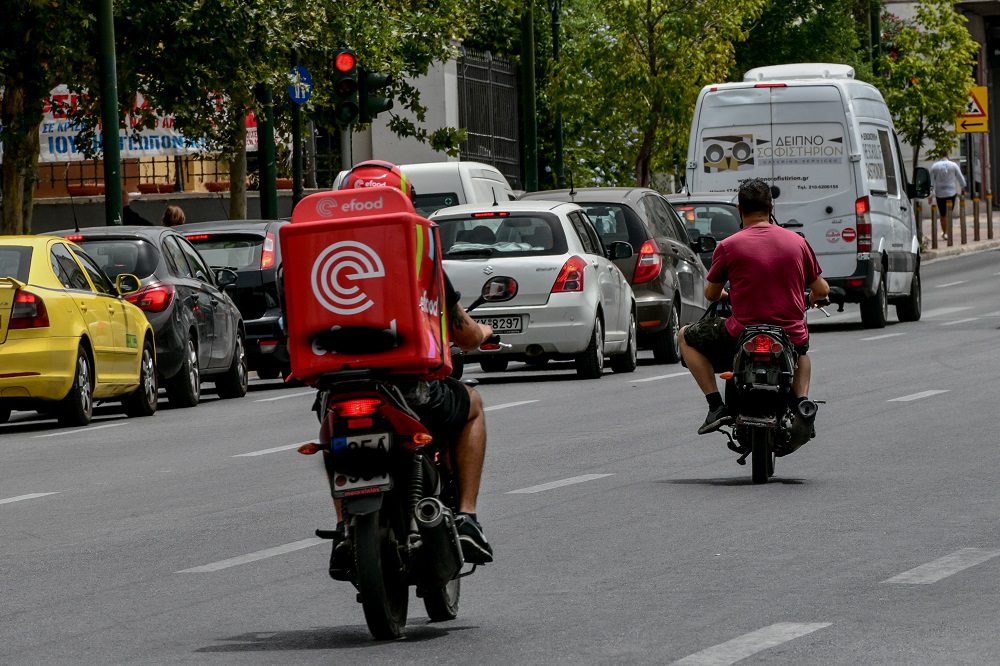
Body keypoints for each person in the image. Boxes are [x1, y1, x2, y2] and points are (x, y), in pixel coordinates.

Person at [327, 160, 495, 578]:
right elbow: (464, 333)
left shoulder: (319, 254)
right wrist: (483, 331)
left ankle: (343, 527)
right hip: (410, 390)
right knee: (472, 405)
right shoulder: (416, 250)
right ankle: (468, 517)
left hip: (340, 389)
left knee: (334, 435)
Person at [678, 179, 830, 435]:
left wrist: (726, 293)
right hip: (789, 333)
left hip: (741, 333)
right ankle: (802, 402)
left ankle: (716, 406)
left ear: (740, 209)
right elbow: (822, 289)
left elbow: (712, 293)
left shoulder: (728, 246)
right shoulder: (797, 242)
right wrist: (813, 297)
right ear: (771, 207)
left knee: (684, 336)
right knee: (802, 352)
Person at [930, 151, 966, 241]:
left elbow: (931, 182)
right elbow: (960, 178)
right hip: (951, 193)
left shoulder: (935, 166)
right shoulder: (953, 165)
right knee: (949, 213)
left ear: (940, 156)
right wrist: (962, 189)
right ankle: (948, 232)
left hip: (940, 194)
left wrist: (930, 196)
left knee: (943, 214)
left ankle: (945, 233)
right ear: (947, 155)